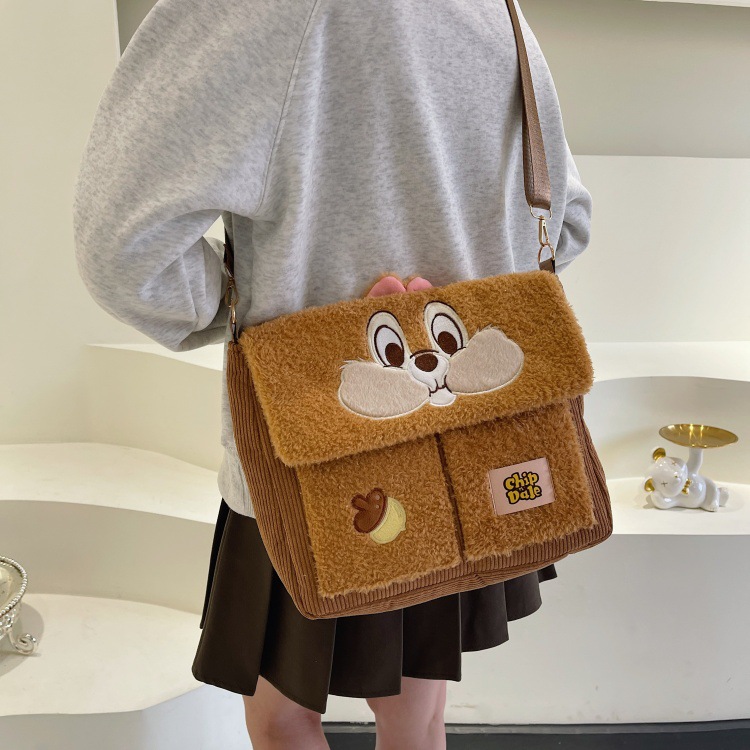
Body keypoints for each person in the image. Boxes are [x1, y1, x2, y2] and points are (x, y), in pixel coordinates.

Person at [72, 1, 593, 747]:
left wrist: (267, 321)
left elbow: (123, 253)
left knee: (283, 718)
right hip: (476, 450)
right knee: (418, 716)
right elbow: (564, 222)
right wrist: (454, 312)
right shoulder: (494, 9)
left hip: (313, 453)